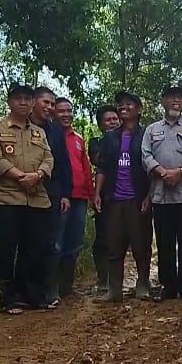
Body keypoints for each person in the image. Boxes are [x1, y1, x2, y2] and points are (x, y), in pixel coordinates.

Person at [0, 84, 55, 313]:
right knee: (5, 249)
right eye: (18, 99)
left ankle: (34, 296)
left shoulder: (39, 132)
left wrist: (38, 175)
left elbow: (48, 157)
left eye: (27, 99)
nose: (23, 103)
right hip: (7, 198)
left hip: (36, 199)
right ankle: (8, 298)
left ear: (32, 103)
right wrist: (20, 177)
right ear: (10, 102)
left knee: (35, 248)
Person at [142, 85, 182, 302]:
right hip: (160, 195)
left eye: (180, 98)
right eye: (171, 97)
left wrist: (179, 172)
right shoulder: (151, 130)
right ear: (163, 101)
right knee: (165, 241)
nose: (176, 101)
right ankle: (168, 286)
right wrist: (162, 173)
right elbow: (146, 155)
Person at [93, 91, 151, 302]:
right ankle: (114, 288)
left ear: (139, 109)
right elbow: (102, 167)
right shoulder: (110, 138)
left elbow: (152, 168)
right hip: (113, 200)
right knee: (113, 245)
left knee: (141, 243)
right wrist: (97, 193)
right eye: (120, 104)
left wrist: (149, 196)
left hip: (137, 199)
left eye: (129, 104)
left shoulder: (147, 135)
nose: (123, 107)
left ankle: (143, 284)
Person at [28, 87, 72, 306]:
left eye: (52, 104)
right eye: (45, 103)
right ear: (34, 102)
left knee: (52, 242)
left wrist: (66, 194)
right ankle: (25, 292)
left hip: (53, 191)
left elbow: (64, 163)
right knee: (30, 241)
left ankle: (48, 290)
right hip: (24, 191)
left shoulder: (55, 131)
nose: (49, 107)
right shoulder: (21, 124)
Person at [49, 97, 93, 298]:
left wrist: (92, 195)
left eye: (69, 111)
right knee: (56, 240)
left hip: (80, 197)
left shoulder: (78, 139)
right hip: (59, 196)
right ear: (53, 113)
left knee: (75, 241)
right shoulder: (48, 135)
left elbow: (86, 168)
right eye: (61, 111)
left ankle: (67, 287)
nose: (66, 115)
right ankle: (52, 288)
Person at [88, 104, 121, 294]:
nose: (112, 122)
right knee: (102, 238)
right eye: (107, 120)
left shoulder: (130, 139)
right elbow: (97, 161)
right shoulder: (96, 142)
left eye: (114, 119)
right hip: (105, 196)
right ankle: (103, 279)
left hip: (127, 196)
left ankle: (121, 279)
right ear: (100, 124)